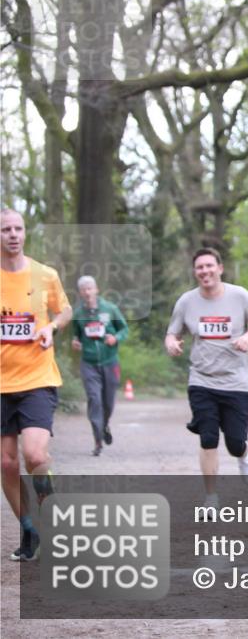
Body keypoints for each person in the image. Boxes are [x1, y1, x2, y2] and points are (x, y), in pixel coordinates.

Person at [164, 248, 248, 506]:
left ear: (220, 268)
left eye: (210, 266)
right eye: (200, 267)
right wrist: (171, 344)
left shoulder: (239, 296)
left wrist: (247, 337)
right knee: (208, 438)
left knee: (234, 442)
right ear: (195, 272)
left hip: (236, 381)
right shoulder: (186, 301)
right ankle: (211, 496)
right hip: (202, 379)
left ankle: (244, 456)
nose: (205, 271)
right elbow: (172, 332)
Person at [1, 208, 72, 561]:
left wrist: (51, 328)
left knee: (35, 455)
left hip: (38, 378)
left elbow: (66, 311)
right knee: (7, 463)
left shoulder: (45, 275)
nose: (12, 235)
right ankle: (30, 531)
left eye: (18, 228)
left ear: (25, 233)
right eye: (5, 230)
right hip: (1, 384)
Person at [71, 276, 129, 457]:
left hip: (110, 361)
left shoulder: (110, 309)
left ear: (96, 290)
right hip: (89, 363)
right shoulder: (78, 314)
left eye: (90, 288)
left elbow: (124, 329)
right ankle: (97, 440)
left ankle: (104, 425)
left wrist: (115, 338)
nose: (87, 292)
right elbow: (76, 336)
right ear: (80, 293)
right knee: (94, 399)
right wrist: (75, 342)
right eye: (84, 289)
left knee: (108, 402)